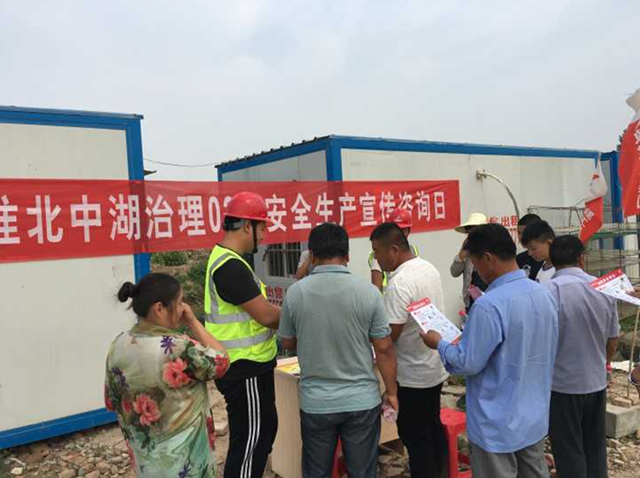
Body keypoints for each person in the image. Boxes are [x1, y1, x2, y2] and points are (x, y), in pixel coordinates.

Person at [422, 224, 558, 478]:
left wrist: (439, 344)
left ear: (487, 258)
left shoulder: (489, 305)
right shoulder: (543, 294)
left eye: (475, 264)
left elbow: (467, 362)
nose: (477, 272)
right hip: (533, 415)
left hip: (496, 422)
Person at [279, 223, 398, 478]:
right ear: (347, 255)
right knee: (362, 472)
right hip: (361, 401)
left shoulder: (296, 293)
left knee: (317, 473)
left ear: (312, 255)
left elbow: (287, 342)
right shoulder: (369, 293)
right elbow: (384, 349)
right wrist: (391, 391)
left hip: (316, 402)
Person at [105, 273, 229, 477]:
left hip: (146, 465)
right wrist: (192, 321)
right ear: (159, 308)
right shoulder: (178, 347)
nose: (183, 308)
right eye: (179, 303)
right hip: (185, 465)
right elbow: (222, 361)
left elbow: (111, 402)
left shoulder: (118, 345)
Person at [204, 191, 281, 478]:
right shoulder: (230, 266)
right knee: (251, 443)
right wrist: (302, 312)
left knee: (262, 432)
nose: (264, 235)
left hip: (249, 367)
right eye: (263, 228)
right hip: (244, 368)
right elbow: (267, 316)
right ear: (248, 226)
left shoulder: (229, 260)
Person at [370, 222, 448, 478]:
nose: (376, 259)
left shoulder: (399, 283)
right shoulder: (428, 268)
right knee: (433, 428)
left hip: (411, 374)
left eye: (377, 252)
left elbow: (389, 337)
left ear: (393, 250)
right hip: (434, 366)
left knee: (416, 437)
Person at [543, 235, 619, 478]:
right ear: (581, 259)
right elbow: (613, 338)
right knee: (594, 445)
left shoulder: (548, 291)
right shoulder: (603, 288)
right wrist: (604, 364)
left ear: (552, 260)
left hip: (562, 385)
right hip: (595, 381)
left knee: (568, 447)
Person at [369, 208, 419, 292]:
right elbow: (376, 289)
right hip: (389, 297)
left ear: (408, 231)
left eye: (403, 230)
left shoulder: (413, 250)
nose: (399, 233)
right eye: (396, 229)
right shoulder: (379, 254)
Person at [450, 212, 488, 311]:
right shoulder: (467, 252)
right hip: (471, 303)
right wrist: (461, 254)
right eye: (469, 231)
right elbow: (454, 272)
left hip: (489, 303)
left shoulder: (493, 250)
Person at [516, 214, 544, 280]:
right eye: (519, 233)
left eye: (524, 233)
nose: (520, 237)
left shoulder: (552, 259)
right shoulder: (519, 259)